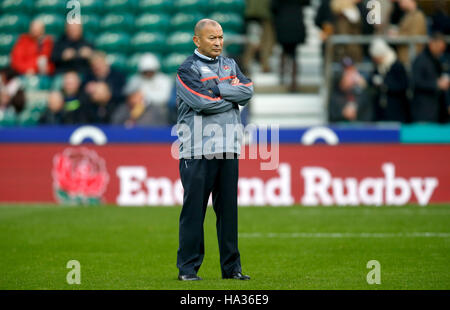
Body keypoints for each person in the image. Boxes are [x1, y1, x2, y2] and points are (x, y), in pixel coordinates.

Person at [175, 19, 253, 281]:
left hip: (229, 148)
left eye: (220, 37)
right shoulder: (187, 69)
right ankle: (187, 270)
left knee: (229, 213)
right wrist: (229, 98)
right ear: (197, 40)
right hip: (197, 150)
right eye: (212, 38)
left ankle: (232, 270)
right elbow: (201, 101)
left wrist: (219, 90)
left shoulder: (230, 64)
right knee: (194, 212)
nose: (218, 42)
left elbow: (248, 91)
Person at [271, 0, 310, 92]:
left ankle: (282, 76)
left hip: (283, 21)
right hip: (296, 21)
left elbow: (273, 7)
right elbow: (307, 3)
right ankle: (293, 82)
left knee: (284, 51)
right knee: (294, 54)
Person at [123, 53, 173, 125]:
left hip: (158, 109)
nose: (148, 73)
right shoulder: (135, 79)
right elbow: (128, 94)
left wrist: (143, 96)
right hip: (137, 108)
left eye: (150, 71)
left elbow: (163, 99)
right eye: (145, 71)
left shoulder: (165, 80)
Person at [411, 33, 449, 123]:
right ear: (432, 44)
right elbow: (415, 82)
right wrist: (436, 84)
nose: (441, 51)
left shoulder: (437, 61)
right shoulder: (421, 60)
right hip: (423, 111)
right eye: (439, 47)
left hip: (436, 111)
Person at [368, 38, 409, 122]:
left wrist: (385, 85)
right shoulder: (378, 67)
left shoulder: (397, 66)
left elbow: (403, 85)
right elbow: (371, 80)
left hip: (396, 110)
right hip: (382, 111)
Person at [82, 51, 126, 124]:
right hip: (93, 109)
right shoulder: (89, 77)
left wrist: (106, 93)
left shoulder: (118, 76)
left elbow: (122, 94)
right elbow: (83, 96)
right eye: (94, 65)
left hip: (114, 107)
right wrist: (88, 92)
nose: (97, 67)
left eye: (99, 64)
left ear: (105, 63)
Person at [329, 57, 372, 122]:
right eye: (346, 72)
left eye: (351, 71)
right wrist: (343, 113)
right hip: (341, 124)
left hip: (360, 125)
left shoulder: (362, 91)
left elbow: (368, 114)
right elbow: (333, 114)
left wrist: (364, 86)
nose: (349, 75)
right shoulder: (336, 92)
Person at [242, 0, 275, 74]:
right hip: (265, 14)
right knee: (266, 41)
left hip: (251, 14)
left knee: (252, 41)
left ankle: (246, 64)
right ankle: (264, 64)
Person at [392, 0, 427, 65]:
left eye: (402, 1)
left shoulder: (418, 16)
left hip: (411, 56)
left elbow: (414, 36)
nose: (400, 3)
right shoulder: (407, 15)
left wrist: (397, 35)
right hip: (404, 55)